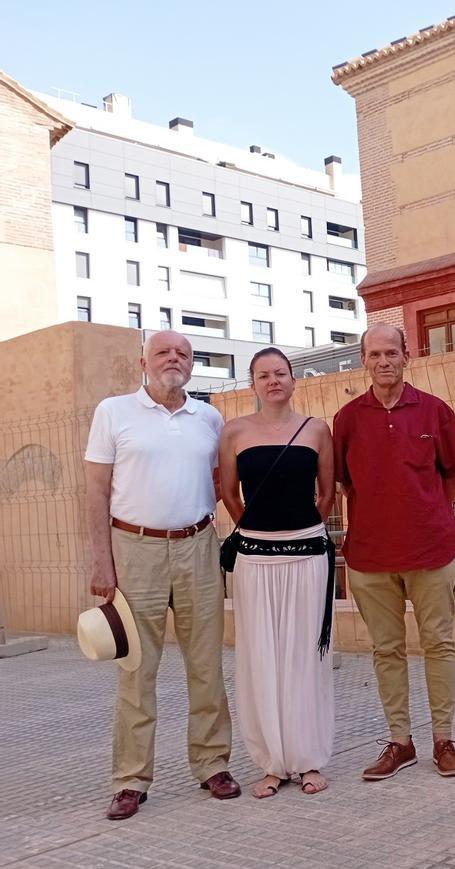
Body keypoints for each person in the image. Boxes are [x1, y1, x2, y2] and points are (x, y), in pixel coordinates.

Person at [85, 330, 239, 820]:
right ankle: (131, 779)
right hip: (135, 550)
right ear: (143, 362)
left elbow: (219, 481)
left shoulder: (209, 418)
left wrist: (196, 520)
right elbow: (95, 492)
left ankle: (212, 763)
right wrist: (102, 559)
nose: (173, 359)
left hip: (198, 546)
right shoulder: (113, 412)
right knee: (136, 670)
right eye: (163, 352)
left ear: (192, 366)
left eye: (183, 354)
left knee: (206, 665)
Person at [333, 323, 455, 779]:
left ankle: (444, 739)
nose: (383, 362)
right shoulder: (348, 419)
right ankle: (400, 741)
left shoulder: (435, 411)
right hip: (371, 557)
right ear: (363, 361)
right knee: (386, 650)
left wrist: (429, 514)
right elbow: (345, 483)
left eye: (391, 352)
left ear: (406, 355)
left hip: (431, 551)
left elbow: (453, 474)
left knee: (439, 644)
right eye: (374, 355)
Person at [218, 347, 336, 799]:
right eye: (264, 375)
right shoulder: (234, 432)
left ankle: (307, 760)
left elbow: (327, 493)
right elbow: (229, 492)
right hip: (254, 558)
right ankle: (270, 763)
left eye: (281, 373)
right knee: (261, 657)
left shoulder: (317, 430)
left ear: (293, 380)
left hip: (308, 555)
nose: (274, 381)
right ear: (253, 384)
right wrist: (258, 529)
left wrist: (303, 528)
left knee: (305, 658)